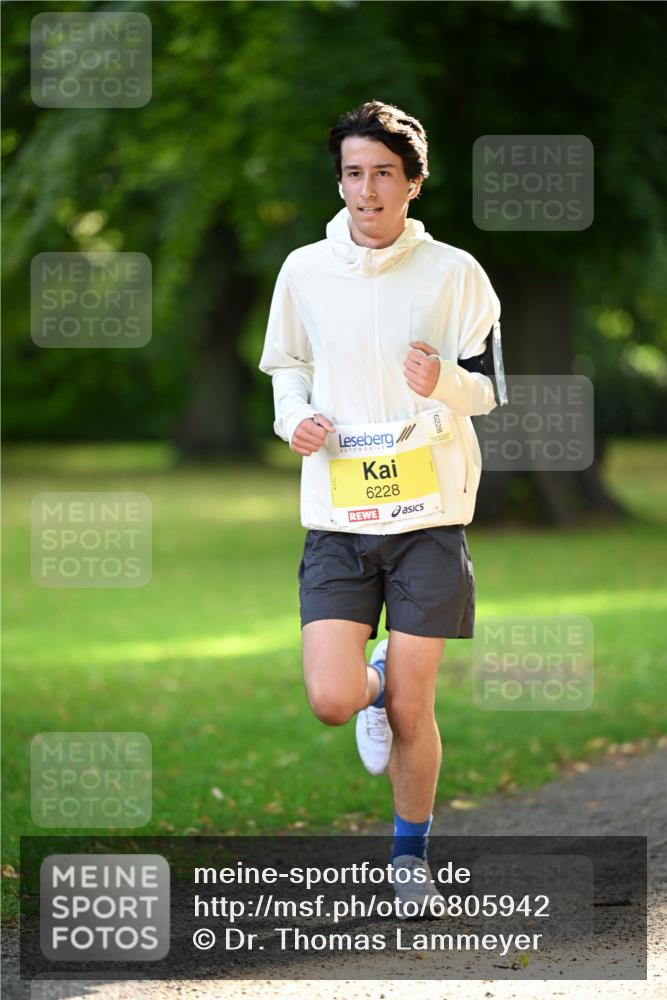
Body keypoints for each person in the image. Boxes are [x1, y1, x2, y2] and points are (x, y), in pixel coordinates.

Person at [259, 100, 504, 919]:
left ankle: (408, 858)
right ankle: (369, 679)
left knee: (413, 705)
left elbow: (489, 387)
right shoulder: (303, 270)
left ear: (413, 182)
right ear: (340, 181)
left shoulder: (455, 273)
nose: (367, 191)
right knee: (336, 699)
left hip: (429, 512)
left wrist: (445, 384)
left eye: (383, 174)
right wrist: (294, 420)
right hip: (337, 513)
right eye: (354, 174)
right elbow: (286, 368)